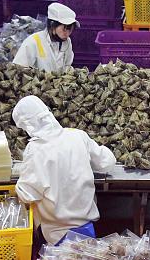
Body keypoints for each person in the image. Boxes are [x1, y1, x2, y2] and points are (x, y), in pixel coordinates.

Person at [12, 95, 117, 245]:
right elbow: (107, 162)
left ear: (28, 125)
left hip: (55, 233)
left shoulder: (35, 150)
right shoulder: (77, 136)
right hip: (87, 225)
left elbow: (28, 194)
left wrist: (18, 186)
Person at [12, 3, 78, 72]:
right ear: (52, 25)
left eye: (70, 30)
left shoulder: (67, 42)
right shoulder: (33, 42)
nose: (67, 34)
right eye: (64, 29)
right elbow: (18, 70)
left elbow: (67, 65)